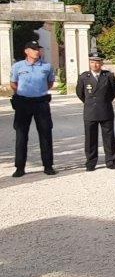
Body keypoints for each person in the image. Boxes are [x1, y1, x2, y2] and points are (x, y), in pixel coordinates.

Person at [10, 40, 56, 177]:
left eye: (38, 49)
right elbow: (13, 83)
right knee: (21, 135)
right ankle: (20, 167)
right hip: (23, 103)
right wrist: (23, 93)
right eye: (34, 49)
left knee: (46, 134)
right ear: (26, 51)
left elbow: (50, 83)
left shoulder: (47, 66)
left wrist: (38, 92)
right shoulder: (18, 66)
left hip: (41, 103)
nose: (37, 51)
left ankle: (48, 166)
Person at [76, 53, 115, 171]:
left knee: (109, 137)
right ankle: (91, 162)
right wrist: (90, 103)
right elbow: (80, 93)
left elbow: (113, 92)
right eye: (92, 62)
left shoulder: (108, 76)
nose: (95, 65)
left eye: (97, 62)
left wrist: (104, 101)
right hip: (90, 111)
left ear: (101, 63)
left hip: (105, 109)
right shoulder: (84, 76)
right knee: (90, 138)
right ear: (89, 63)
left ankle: (110, 161)